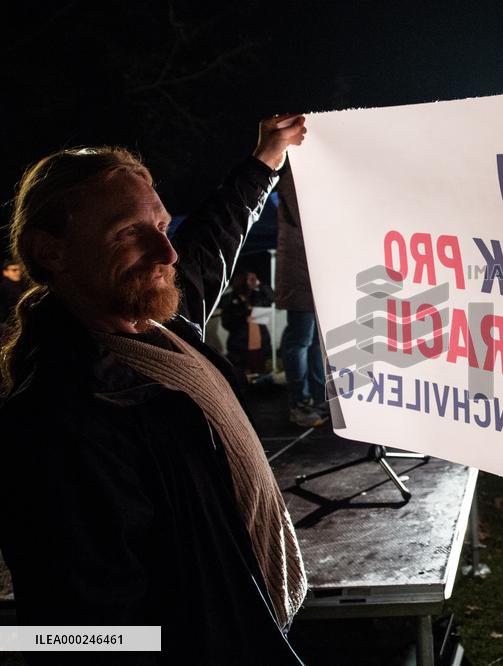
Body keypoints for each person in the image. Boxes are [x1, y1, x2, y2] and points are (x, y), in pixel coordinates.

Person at [0, 115, 309, 665]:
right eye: (127, 233)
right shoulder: (57, 423)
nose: (166, 254)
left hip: (250, 630)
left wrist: (266, 159)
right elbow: (69, 636)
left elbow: (214, 236)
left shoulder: (155, 323)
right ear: (50, 250)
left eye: (163, 227)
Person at [274, 161, 328, 428]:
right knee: (302, 340)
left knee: (316, 341)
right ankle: (301, 403)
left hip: (314, 276)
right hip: (301, 276)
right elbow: (308, 217)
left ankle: (318, 398)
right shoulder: (294, 180)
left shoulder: (306, 181)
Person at [222, 270, 274, 381]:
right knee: (242, 379)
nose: (254, 281)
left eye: (255, 278)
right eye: (251, 279)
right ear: (242, 280)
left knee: (260, 377)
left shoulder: (256, 295)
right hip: (241, 347)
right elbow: (226, 322)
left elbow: (271, 298)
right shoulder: (231, 299)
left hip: (260, 344)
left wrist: (260, 284)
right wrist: (244, 318)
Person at [0, 259, 27, 336]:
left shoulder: (23, 286)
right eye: (14, 270)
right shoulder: (3, 288)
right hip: (8, 328)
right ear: (5, 272)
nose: (18, 272)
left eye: (19, 270)